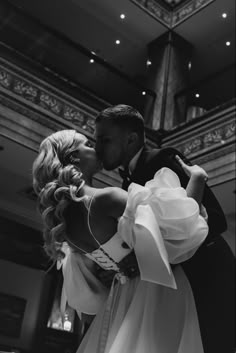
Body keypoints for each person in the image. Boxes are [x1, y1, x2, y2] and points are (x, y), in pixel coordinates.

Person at [33, 129, 209, 353]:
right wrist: (197, 179)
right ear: (74, 157)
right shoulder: (107, 199)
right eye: (87, 144)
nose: (95, 147)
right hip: (159, 292)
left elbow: (87, 300)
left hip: (120, 300)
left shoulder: (66, 228)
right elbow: (182, 231)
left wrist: (119, 267)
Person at [95, 104, 235, 353]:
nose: (97, 149)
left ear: (131, 139)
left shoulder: (163, 160)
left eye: (105, 140)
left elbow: (215, 219)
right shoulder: (127, 179)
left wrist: (146, 261)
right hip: (173, 285)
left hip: (207, 276)